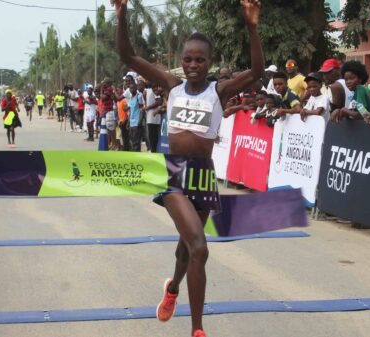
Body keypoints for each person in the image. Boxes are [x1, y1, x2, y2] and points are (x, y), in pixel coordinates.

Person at [114, 0, 263, 335]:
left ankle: (172, 289)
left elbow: (256, 72)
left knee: (186, 251)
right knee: (199, 247)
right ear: (181, 62)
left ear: (210, 63)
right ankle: (197, 330)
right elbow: (128, 56)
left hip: (203, 174)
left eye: (200, 59)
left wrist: (252, 26)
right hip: (173, 172)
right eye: (188, 59)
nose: (194, 64)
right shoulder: (171, 85)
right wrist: (121, 16)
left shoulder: (219, 90)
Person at [145, 84, 163, 152]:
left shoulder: (159, 94)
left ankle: (154, 151)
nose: (155, 89)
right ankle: (153, 151)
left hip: (157, 119)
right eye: (154, 87)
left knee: (155, 138)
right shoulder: (148, 91)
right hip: (151, 119)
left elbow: (159, 102)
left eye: (156, 87)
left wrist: (148, 107)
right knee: (152, 137)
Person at [127, 82, 144, 151]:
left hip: (137, 122)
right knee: (132, 140)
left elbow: (142, 109)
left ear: (136, 88)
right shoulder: (131, 98)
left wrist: (140, 121)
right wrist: (128, 121)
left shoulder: (139, 96)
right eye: (130, 88)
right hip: (131, 122)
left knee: (137, 141)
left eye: (133, 88)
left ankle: (137, 155)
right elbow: (130, 111)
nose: (131, 89)